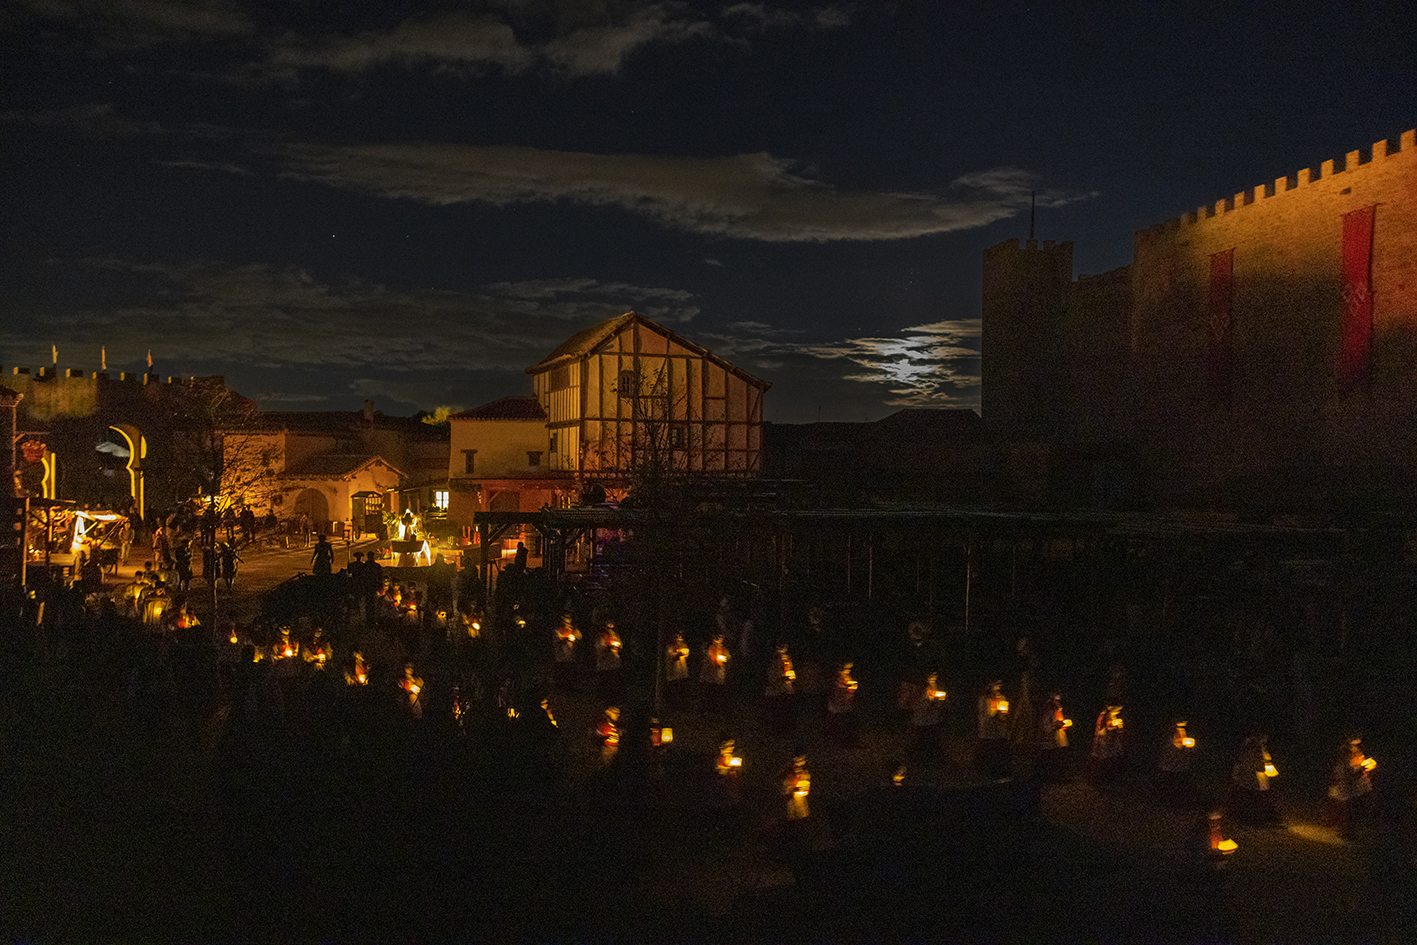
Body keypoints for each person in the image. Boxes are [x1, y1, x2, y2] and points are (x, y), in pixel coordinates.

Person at [1326, 736, 1376, 836]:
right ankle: (1344, 831)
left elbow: (1360, 767)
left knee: (1355, 809)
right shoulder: (1344, 757)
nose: (1356, 748)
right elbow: (1348, 774)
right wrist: (1362, 769)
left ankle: (1350, 830)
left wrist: (1367, 766)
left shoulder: (1358, 753)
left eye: (1358, 745)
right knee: (1347, 809)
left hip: (1357, 788)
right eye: (1354, 745)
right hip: (1348, 787)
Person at [977, 680, 1012, 779]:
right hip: (989, 730)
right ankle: (989, 774)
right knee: (990, 752)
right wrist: (995, 715)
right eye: (996, 684)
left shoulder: (1001, 697)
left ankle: (1002, 772)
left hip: (1000, 730)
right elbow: (984, 715)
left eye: (1000, 684)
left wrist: (1004, 715)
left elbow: (1004, 711)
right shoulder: (985, 699)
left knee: (1001, 751)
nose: (998, 686)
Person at [1038, 692, 1073, 781]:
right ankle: (1052, 778)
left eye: (1059, 700)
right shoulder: (1048, 710)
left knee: (1061, 756)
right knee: (1052, 758)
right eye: (1057, 699)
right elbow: (1045, 726)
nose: (1059, 701)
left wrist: (1063, 724)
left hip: (1060, 737)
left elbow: (1061, 722)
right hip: (1051, 739)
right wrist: (1054, 726)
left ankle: (1061, 776)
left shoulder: (1058, 710)